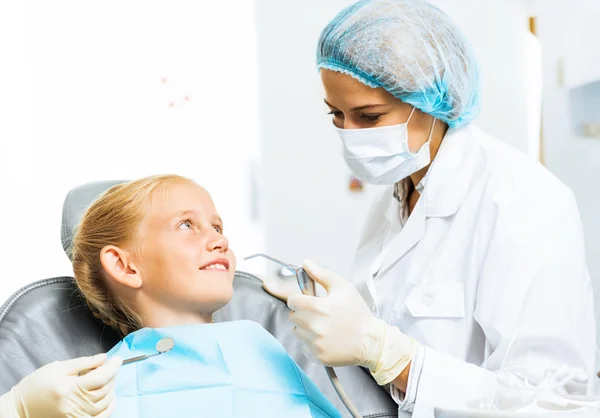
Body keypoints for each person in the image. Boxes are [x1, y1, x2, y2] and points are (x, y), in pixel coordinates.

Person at [263, 0, 597, 416]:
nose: (349, 134)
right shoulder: (395, 200)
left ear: (432, 98)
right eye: (337, 115)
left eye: (368, 116)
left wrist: (392, 356)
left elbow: (555, 402)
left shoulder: (520, 199)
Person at [2, 174, 341, 418]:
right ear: (125, 266)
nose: (219, 241)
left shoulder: (265, 345)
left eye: (218, 227)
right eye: (186, 225)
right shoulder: (94, 392)